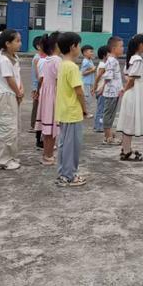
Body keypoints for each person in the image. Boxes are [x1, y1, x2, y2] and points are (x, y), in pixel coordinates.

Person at [54, 32, 87, 187]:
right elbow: (79, 91)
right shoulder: (72, 67)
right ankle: (69, 175)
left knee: (64, 145)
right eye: (79, 45)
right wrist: (84, 108)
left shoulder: (62, 64)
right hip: (73, 112)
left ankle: (63, 173)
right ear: (73, 46)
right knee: (72, 146)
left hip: (63, 111)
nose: (79, 48)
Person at [0, 29, 24, 171]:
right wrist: (18, 92)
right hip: (6, 96)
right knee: (6, 128)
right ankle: (2, 160)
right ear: (7, 43)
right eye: (17, 41)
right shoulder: (3, 59)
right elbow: (9, 79)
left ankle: (11, 157)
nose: (20, 44)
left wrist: (21, 89)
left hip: (13, 95)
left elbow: (17, 77)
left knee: (13, 128)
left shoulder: (14, 58)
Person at [116, 35, 143, 161]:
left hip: (131, 93)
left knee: (128, 122)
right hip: (134, 93)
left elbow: (127, 75)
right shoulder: (138, 60)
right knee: (129, 123)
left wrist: (127, 87)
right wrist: (126, 88)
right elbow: (132, 79)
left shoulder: (131, 59)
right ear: (141, 45)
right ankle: (126, 151)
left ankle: (126, 148)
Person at [35, 32, 61, 164]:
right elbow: (59, 80)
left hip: (46, 95)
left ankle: (47, 154)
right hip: (53, 96)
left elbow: (41, 78)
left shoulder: (46, 60)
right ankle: (48, 155)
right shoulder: (57, 60)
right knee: (51, 128)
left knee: (47, 128)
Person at [101, 36, 124, 145]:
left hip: (114, 92)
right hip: (111, 93)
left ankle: (108, 134)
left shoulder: (113, 60)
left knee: (111, 114)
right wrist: (102, 88)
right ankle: (108, 137)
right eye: (121, 46)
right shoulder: (111, 61)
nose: (123, 48)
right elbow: (108, 77)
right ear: (114, 48)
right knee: (108, 114)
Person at [29, 35, 44, 135]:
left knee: (37, 105)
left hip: (37, 84)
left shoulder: (40, 57)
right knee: (36, 105)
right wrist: (35, 88)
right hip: (37, 85)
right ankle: (34, 125)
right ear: (38, 46)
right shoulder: (37, 58)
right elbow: (38, 75)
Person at [93, 46, 108, 133]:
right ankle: (99, 126)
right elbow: (98, 77)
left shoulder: (102, 64)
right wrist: (95, 87)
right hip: (101, 90)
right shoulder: (103, 65)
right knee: (101, 109)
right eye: (108, 53)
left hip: (101, 89)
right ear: (104, 55)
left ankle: (97, 125)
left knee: (100, 108)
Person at [80, 45, 96, 119]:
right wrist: (92, 70)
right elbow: (82, 73)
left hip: (89, 82)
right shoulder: (85, 62)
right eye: (91, 51)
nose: (92, 53)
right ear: (85, 53)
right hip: (86, 83)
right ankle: (85, 113)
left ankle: (85, 112)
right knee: (87, 99)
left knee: (89, 98)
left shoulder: (89, 60)